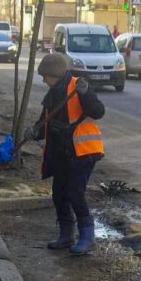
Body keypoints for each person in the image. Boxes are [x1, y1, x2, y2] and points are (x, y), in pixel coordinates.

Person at [23, 53, 105, 256]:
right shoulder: (53, 94)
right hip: (61, 152)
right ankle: (66, 235)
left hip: (83, 151)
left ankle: (87, 237)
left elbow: (97, 112)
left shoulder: (78, 86)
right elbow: (46, 121)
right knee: (59, 194)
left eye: (45, 75)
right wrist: (34, 132)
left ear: (55, 74)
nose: (43, 79)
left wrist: (86, 94)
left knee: (74, 193)